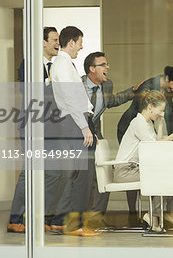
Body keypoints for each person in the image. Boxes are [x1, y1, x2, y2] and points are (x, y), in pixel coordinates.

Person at [116, 66, 173, 224]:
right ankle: (137, 214)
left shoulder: (149, 121)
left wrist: (169, 137)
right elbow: (149, 141)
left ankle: (166, 214)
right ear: (167, 78)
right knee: (159, 173)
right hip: (129, 132)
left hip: (146, 130)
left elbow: (170, 116)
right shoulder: (141, 114)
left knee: (167, 170)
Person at [48, 26, 100, 237]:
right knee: (82, 177)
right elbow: (71, 99)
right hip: (74, 122)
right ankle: (75, 224)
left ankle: (61, 221)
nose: (81, 46)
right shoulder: (63, 65)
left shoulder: (62, 64)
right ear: (71, 43)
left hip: (73, 122)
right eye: (80, 42)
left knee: (73, 174)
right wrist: (85, 127)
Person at [81, 52, 142, 228]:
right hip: (76, 135)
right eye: (103, 65)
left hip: (95, 137)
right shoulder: (78, 83)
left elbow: (111, 101)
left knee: (101, 175)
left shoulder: (107, 85)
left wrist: (132, 92)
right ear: (92, 69)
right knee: (80, 178)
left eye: (107, 64)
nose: (107, 68)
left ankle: (96, 217)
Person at [7, 26, 59, 233]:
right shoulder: (28, 64)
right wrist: (50, 84)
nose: (58, 44)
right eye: (54, 39)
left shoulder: (56, 67)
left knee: (53, 173)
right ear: (43, 42)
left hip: (51, 127)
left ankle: (41, 217)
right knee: (29, 173)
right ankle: (15, 219)